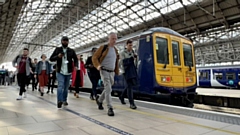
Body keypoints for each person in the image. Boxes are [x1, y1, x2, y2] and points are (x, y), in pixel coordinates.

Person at [92, 32, 119, 116]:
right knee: (108, 88)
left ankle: (100, 100)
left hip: (112, 72)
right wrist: (98, 66)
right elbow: (94, 57)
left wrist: (117, 71)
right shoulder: (103, 47)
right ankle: (109, 108)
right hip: (104, 70)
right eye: (112, 39)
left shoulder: (115, 49)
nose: (114, 40)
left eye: (115, 39)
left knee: (109, 88)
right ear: (109, 39)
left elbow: (116, 61)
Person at [50, 36, 78, 108]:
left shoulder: (71, 51)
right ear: (61, 41)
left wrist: (75, 65)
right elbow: (51, 58)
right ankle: (59, 101)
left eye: (66, 41)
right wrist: (58, 56)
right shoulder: (57, 49)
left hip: (68, 72)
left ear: (68, 42)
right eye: (63, 40)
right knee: (60, 86)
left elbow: (75, 59)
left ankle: (64, 100)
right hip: (60, 71)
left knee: (66, 87)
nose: (65, 42)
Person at [119, 39, 138, 109]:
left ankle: (121, 96)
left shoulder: (133, 52)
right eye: (129, 45)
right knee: (130, 86)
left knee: (129, 85)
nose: (131, 47)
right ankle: (131, 103)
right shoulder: (123, 53)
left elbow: (134, 62)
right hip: (126, 71)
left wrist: (135, 58)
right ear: (126, 45)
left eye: (131, 45)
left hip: (132, 71)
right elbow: (123, 63)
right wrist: (131, 58)